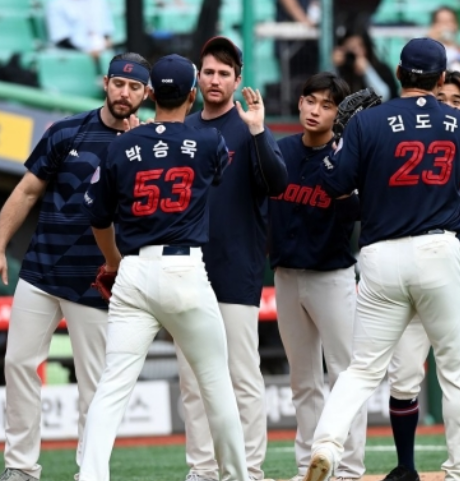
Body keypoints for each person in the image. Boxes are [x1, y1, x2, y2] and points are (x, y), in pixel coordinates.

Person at [302, 37, 460, 481]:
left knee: (362, 369)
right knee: (457, 370)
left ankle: (326, 442)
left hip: (382, 253)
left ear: (400, 73)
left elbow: (336, 186)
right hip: (438, 249)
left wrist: (344, 141)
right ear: (441, 79)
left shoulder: (369, 122)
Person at [78, 53, 250, 481]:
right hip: (183, 269)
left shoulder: (120, 144)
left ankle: (91, 475)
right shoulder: (209, 142)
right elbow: (214, 170)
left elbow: (98, 217)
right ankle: (235, 476)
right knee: (216, 385)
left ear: (150, 93)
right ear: (192, 95)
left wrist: (114, 263)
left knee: (112, 387)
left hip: (134, 272)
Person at [0, 52, 149, 481]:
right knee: (18, 364)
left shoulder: (148, 147)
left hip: (98, 280)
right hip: (40, 270)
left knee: (95, 384)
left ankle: (88, 473)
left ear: (146, 93)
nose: (124, 93)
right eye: (118, 84)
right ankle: (20, 468)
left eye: (134, 87)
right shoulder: (65, 130)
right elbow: (25, 192)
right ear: (105, 83)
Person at [381, 70, 460, 481]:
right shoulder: (409, 149)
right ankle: (405, 466)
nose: (448, 105)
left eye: (457, 101)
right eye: (442, 98)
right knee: (403, 375)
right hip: (407, 276)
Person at [174, 36, 287, 481]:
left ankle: (250, 470)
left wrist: (258, 129)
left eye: (224, 73)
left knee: (242, 376)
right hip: (185, 269)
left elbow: (277, 185)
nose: (215, 79)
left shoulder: (249, 125)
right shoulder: (183, 128)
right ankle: (202, 470)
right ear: (197, 78)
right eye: (209, 71)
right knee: (192, 380)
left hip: (236, 265)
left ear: (238, 80)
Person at [268, 72, 367, 481]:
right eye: (311, 100)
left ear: (339, 114)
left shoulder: (347, 159)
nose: (316, 110)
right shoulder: (281, 151)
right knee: (303, 380)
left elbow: (357, 212)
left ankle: (348, 468)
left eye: (328, 105)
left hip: (333, 276)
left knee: (345, 376)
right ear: (300, 102)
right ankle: (308, 466)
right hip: (287, 276)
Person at [333, 29, 398, 101]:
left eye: (360, 46)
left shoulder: (382, 69)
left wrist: (367, 70)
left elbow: (384, 97)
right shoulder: (342, 72)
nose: (357, 51)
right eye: (351, 48)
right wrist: (335, 66)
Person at [46, 0, 115, 57]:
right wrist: (87, 53)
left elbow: (107, 33)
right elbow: (61, 40)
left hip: (101, 52)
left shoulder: (99, 2)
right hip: (73, 56)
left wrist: (106, 44)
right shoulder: (57, 4)